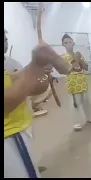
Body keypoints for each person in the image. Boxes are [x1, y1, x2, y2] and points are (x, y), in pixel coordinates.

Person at [4, 29, 70, 178]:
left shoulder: (11, 63)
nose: (4, 42)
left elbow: (23, 85)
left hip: (20, 127)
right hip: (9, 137)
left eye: (5, 38)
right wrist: (35, 66)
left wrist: (38, 70)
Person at [61, 34, 91, 131]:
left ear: (73, 43)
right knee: (75, 103)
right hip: (73, 83)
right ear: (63, 45)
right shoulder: (63, 57)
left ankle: (89, 118)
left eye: (70, 42)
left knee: (87, 101)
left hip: (82, 81)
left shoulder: (79, 54)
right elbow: (66, 70)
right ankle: (76, 124)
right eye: (66, 43)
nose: (68, 44)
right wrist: (76, 59)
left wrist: (80, 59)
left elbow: (86, 67)